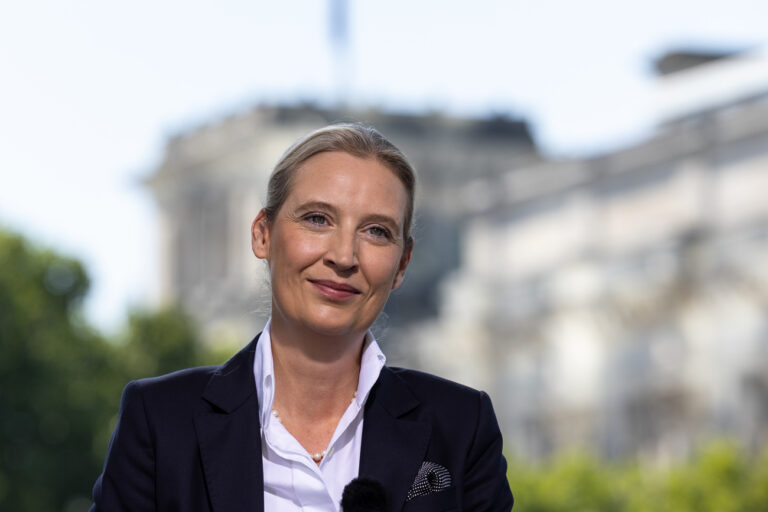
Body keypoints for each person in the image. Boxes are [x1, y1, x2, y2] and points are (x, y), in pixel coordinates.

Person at [91, 123, 513, 511]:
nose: (344, 256)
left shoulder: (460, 426)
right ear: (263, 234)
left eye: (376, 231)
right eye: (317, 219)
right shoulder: (161, 421)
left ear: (402, 264)